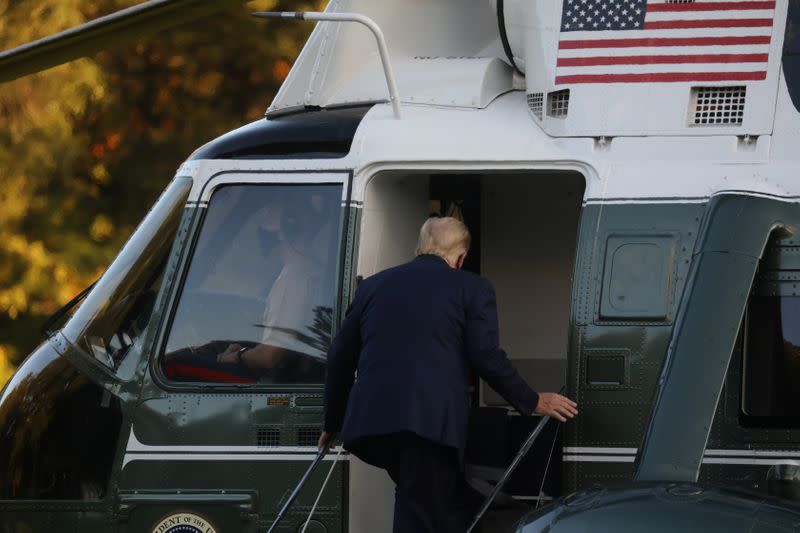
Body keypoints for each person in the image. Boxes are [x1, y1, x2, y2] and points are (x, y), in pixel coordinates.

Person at [319, 217, 578, 532]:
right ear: (461, 257)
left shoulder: (373, 286)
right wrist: (532, 400)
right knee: (422, 511)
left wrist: (332, 423)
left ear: (421, 247)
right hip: (428, 424)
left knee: (425, 500)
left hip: (374, 423)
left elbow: (339, 358)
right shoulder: (472, 287)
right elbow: (485, 356)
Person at [216, 193, 327, 381]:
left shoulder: (294, 276)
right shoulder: (317, 271)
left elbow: (272, 356)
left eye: (276, 207)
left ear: (288, 225)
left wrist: (237, 357)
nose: (266, 214)